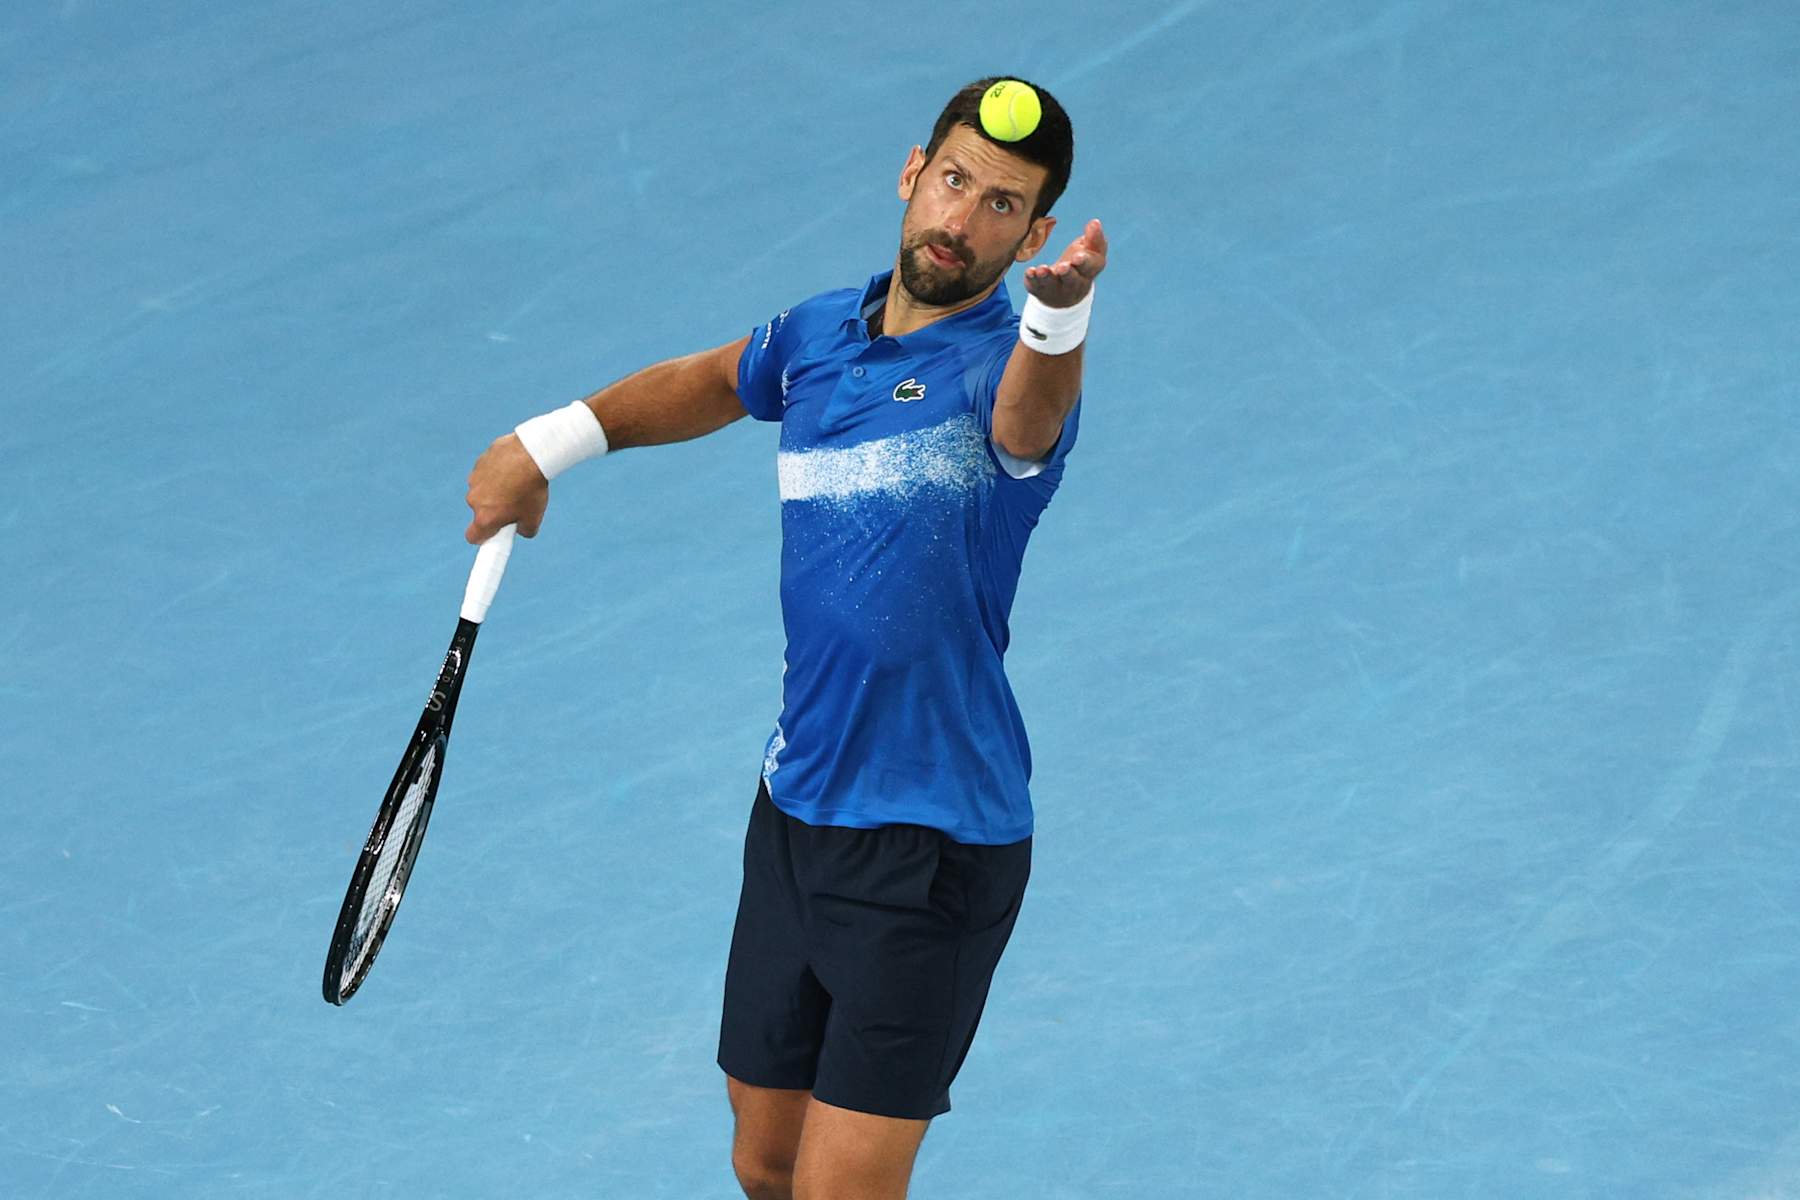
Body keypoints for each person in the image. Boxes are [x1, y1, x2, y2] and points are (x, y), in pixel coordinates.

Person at [464, 75, 1106, 1200]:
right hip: (796, 820)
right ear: (913, 173)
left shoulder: (1000, 375)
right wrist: (549, 442)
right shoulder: (818, 338)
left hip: (933, 852)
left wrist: (1060, 314)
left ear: (1036, 232)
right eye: (954, 182)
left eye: (1002, 206)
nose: (962, 221)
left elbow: (1029, 415)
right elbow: (716, 380)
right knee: (765, 1164)